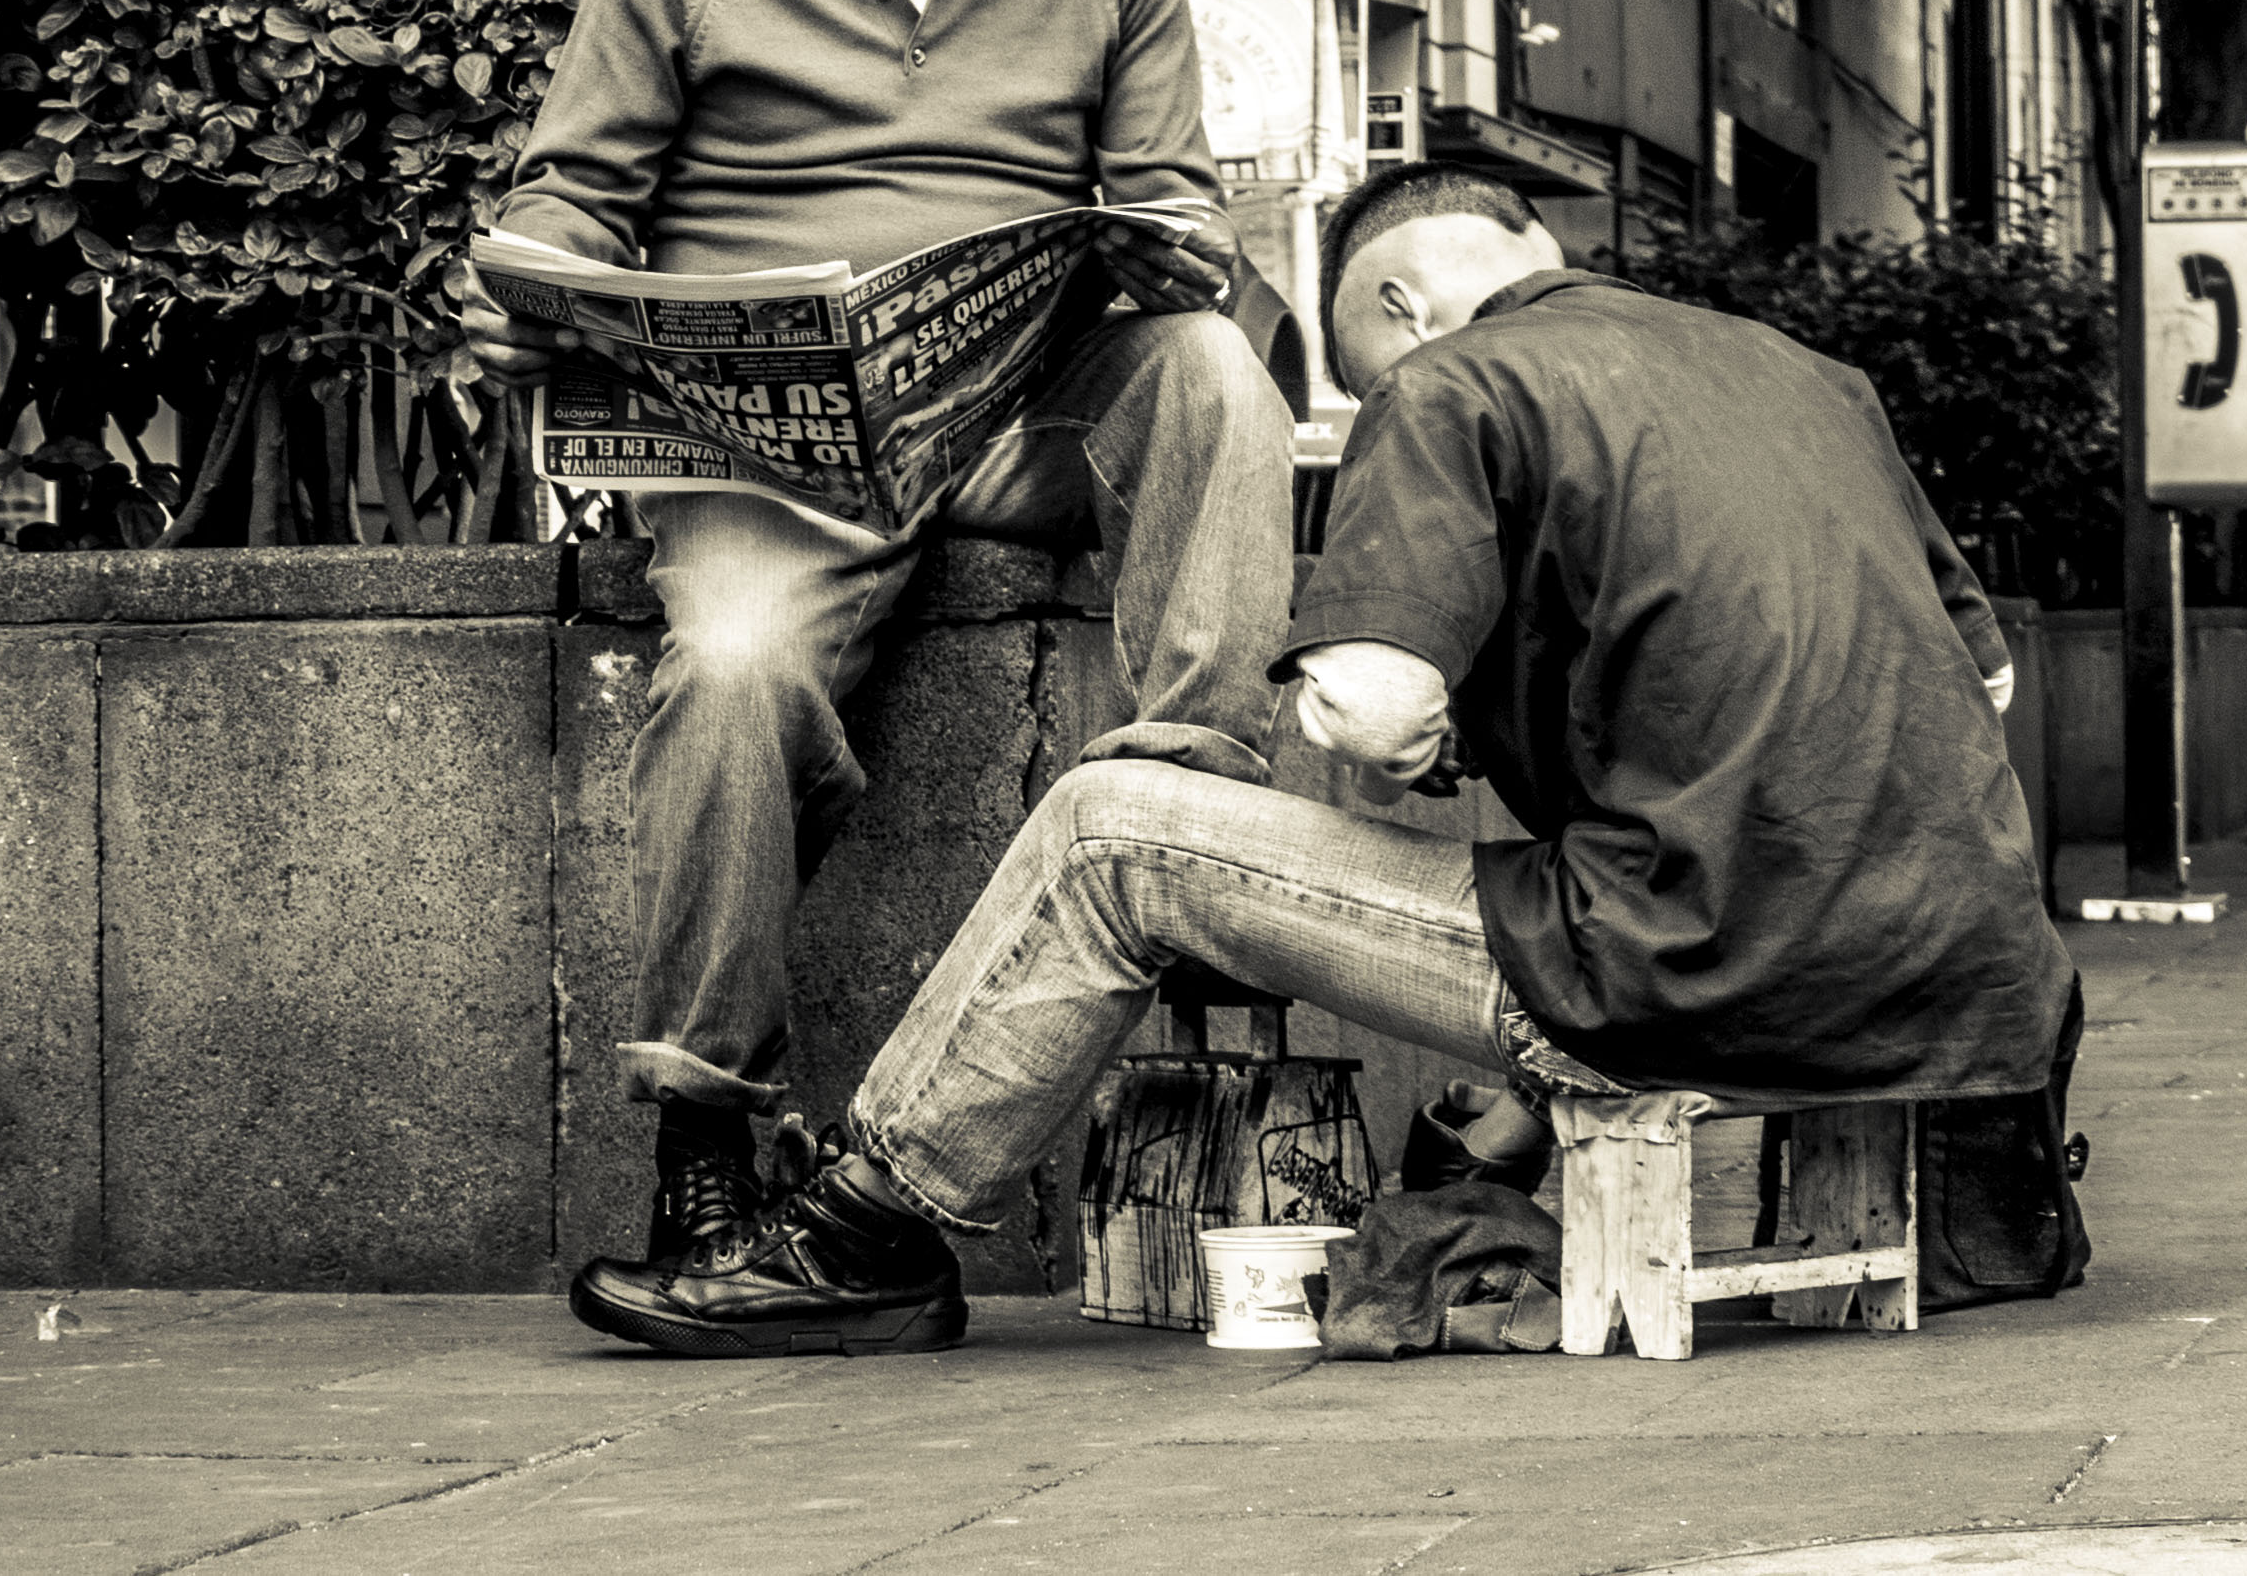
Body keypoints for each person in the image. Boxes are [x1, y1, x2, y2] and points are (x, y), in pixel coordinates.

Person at [565, 162, 2078, 1358]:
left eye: (1355, 372)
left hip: (1691, 969)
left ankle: (862, 1232)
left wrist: (1414, 720)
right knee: (1580, 862)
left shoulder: (1456, 381)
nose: (1369, 402)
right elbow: (1981, 678)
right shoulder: (1808, 377)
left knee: (1111, 833)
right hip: (1975, 987)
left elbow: (1364, 706)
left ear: (1408, 305)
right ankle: (1503, 1114)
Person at [464, 0, 1295, 1271]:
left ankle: (1202, 807)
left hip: (1006, 411)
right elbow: (569, 194)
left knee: (1213, 371)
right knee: (737, 672)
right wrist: (526, 279)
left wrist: (1168, 254)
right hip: (770, 446)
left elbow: (1166, 197)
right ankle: (707, 1127)